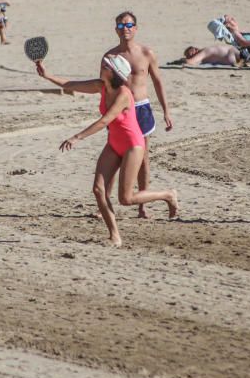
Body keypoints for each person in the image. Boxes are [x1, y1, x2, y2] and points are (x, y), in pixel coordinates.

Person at [36, 56, 178, 246]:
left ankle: (167, 195)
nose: (101, 66)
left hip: (132, 145)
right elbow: (71, 84)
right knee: (98, 189)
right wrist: (47, 75)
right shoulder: (101, 85)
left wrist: (77, 137)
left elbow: (105, 121)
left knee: (126, 199)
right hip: (114, 143)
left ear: (114, 72)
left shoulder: (123, 94)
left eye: (105, 65)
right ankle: (115, 236)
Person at [104, 11, 174, 218]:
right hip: (120, 110)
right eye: (120, 25)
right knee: (115, 156)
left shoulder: (146, 53)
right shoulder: (110, 57)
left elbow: (158, 82)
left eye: (128, 25)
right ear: (115, 29)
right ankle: (106, 204)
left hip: (142, 109)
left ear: (135, 28)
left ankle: (143, 205)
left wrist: (166, 111)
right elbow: (103, 86)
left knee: (143, 158)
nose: (125, 29)